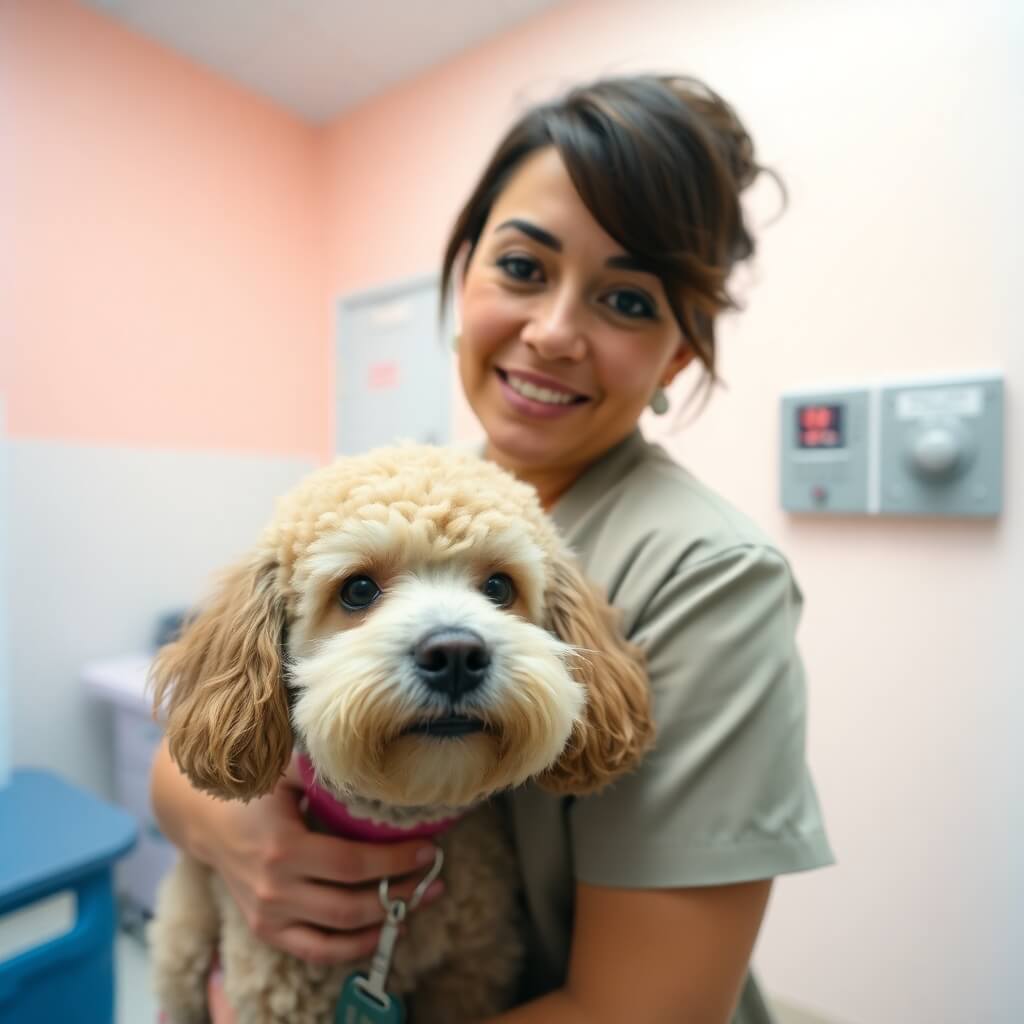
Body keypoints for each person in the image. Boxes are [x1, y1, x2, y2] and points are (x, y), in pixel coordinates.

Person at [151, 73, 833, 1023]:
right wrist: (231, 833)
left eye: (629, 300)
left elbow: (649, 1012)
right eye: (522, 267)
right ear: (463, 274)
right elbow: (190, 751)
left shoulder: (708, 575)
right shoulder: (418, 487)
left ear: (679, 354)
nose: (553, 333)